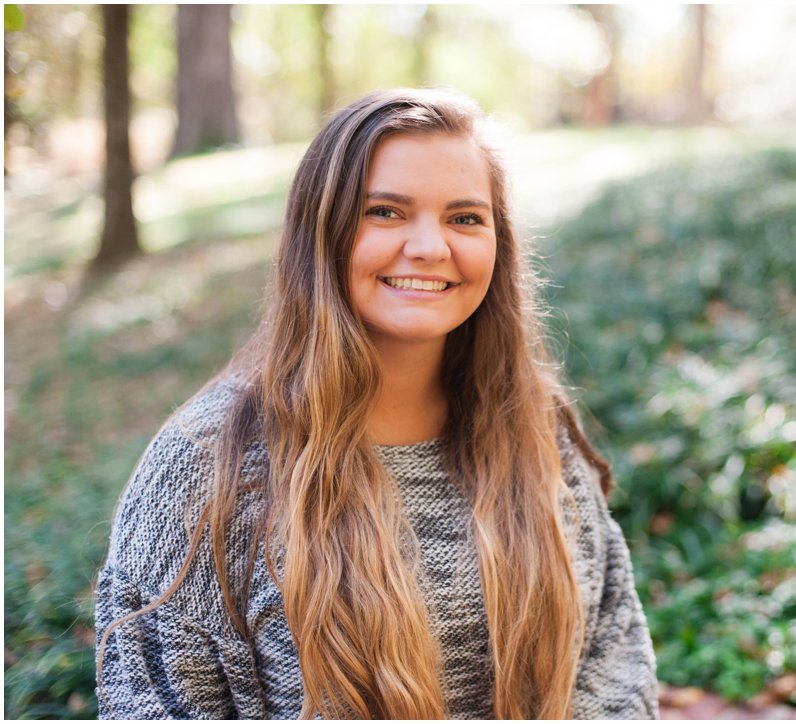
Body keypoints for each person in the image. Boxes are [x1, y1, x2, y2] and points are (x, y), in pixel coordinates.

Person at [95, 87, 659, 719]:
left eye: (465, 218)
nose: (429, 247)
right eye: (386, 212)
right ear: (322, 232)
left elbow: (614, 658)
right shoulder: (202, 470)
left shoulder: (538, 427)